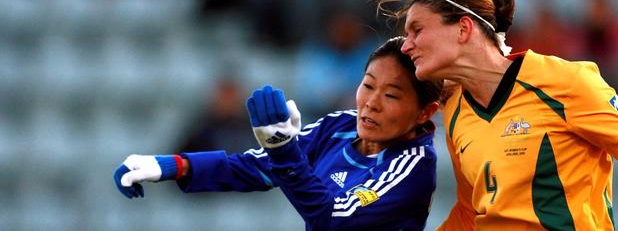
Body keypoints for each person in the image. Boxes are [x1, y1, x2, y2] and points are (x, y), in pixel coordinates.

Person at [377, 0, 618, 230]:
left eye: (417, 30)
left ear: (463, 28)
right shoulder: (456, 112)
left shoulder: (564, 82)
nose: (406, 46)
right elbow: (470, 211)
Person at [113, 37, 444, 230]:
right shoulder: (340, 126)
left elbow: (332, 219)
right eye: (368, 85)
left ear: (425, 112)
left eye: (391, 95)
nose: (371, 103)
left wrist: (284, 150)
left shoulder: (412, 166)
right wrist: (176, 166)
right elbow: (260, 166)